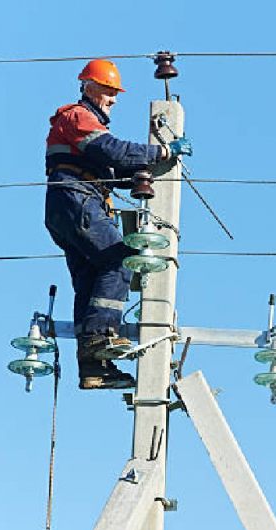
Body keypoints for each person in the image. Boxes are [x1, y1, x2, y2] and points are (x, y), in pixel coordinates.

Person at [44, 59, 192, 390]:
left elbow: (115, 169)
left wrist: (143, 169)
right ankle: (100, 337)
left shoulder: (83, 127)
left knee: (91, 280)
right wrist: (163, 151)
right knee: (121, 258)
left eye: (115, 93)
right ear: (88, 86)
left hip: (69, 204)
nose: (113, 99)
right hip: (77, 199)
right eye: (109, 91)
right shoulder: (77, 116)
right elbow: (112, 151)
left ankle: (93, 368)